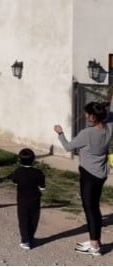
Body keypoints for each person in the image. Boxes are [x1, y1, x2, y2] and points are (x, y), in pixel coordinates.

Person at [54, 101, 112, 256]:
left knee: (90, 209)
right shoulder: (109, 128)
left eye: (87, 114)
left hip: (88, 175)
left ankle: (94, 246)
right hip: (101, 173)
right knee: (95, 207)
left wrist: (60, 133)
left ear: (92, 116)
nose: (85, 116)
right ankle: (96, 240)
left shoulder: (87, 134)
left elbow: (67, 146)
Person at [10, 148, 46, 250]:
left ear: (19, 160)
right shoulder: (38, 172)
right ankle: (31, 237)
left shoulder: (18, 171)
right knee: (34, 219)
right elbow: (42, 187)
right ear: (34, 159)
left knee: (23, 220)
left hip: (22, 200)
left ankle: (25, 240)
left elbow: (14, 182)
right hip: (35, 200)